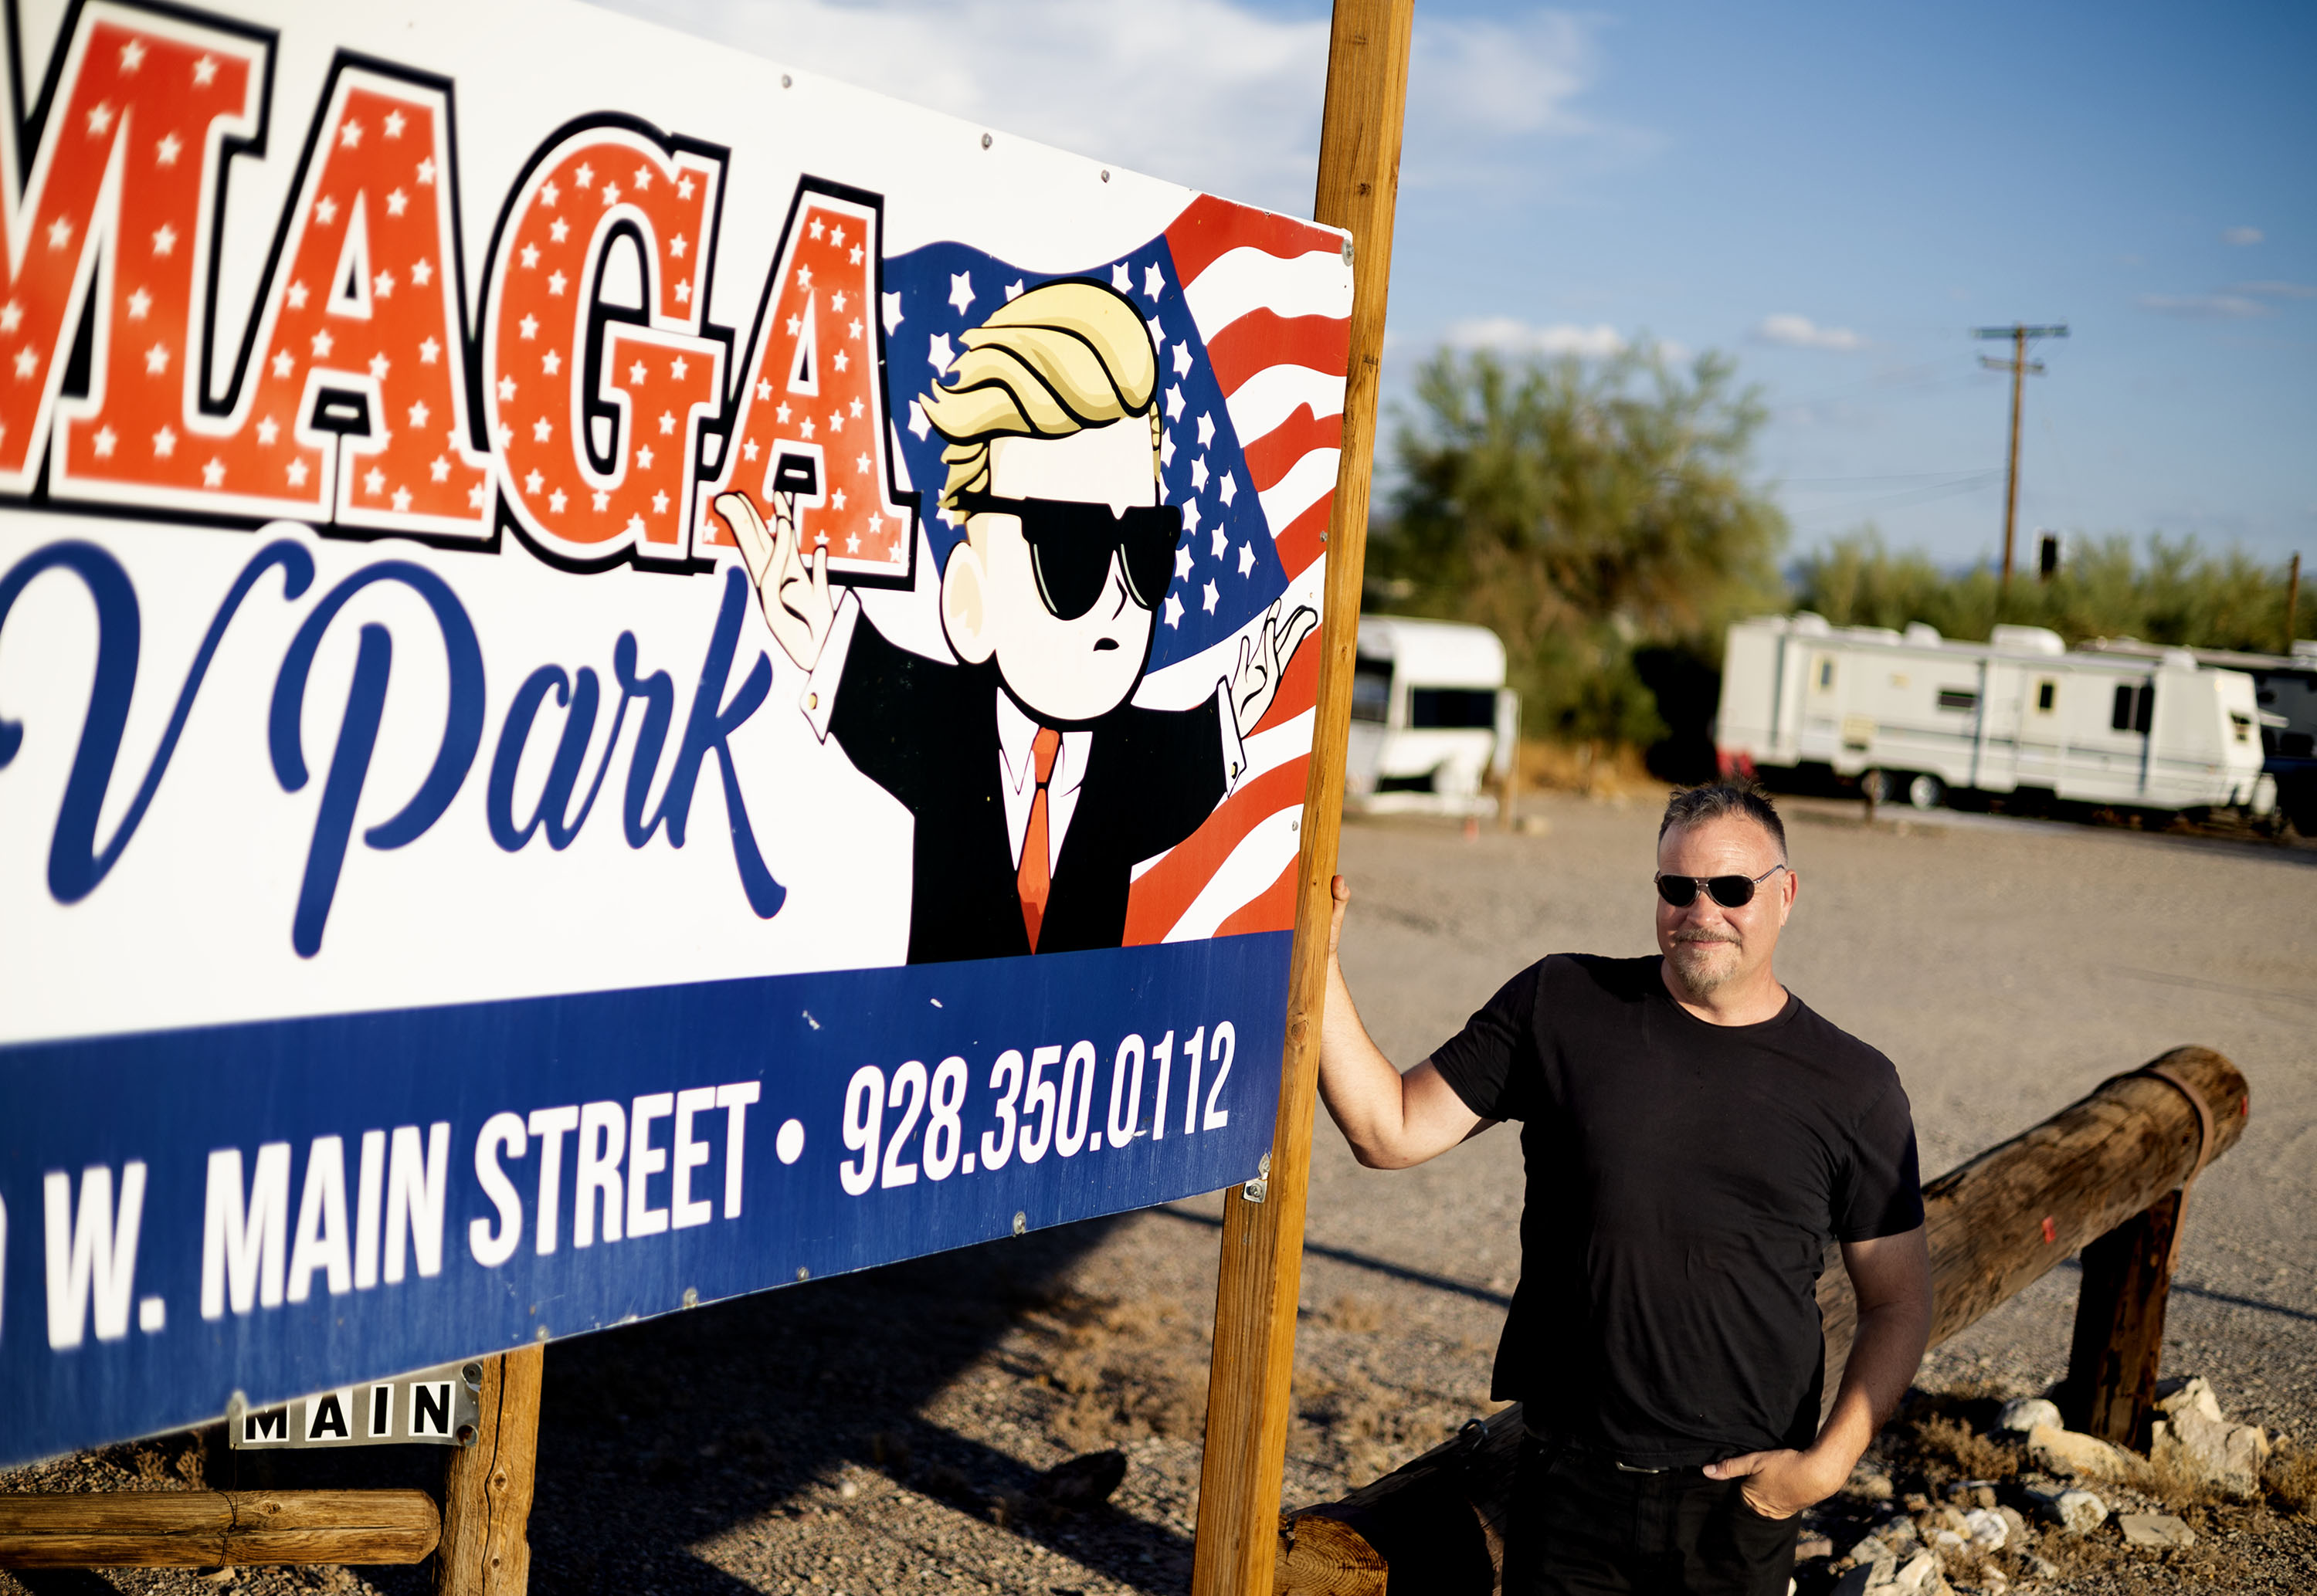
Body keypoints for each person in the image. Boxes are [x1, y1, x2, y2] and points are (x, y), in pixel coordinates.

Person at [1317, 780, 1932, 1596]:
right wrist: (1314, 963)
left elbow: (1898, 1298)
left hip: (1738, 1507)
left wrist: (1823, 1468)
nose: (1700, 909)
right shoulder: (1563, 1004)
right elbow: (1388, 1128)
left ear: (1785, 895)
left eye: (1732, 889)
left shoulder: (1854, 1085)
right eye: (1677, 887)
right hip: (1569, 1490)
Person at [717, 279, 1314, 964]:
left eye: (1145, 545)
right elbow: (880, 694)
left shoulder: (1133, 761)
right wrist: (823, 637)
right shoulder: (945, 730)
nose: (1119, 590)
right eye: (1071, 548)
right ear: (971, 597)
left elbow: (1188, 762)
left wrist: (1238, 703)